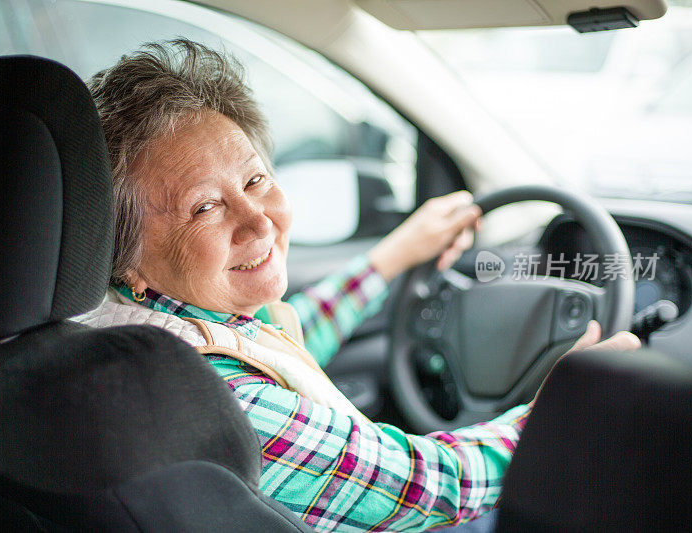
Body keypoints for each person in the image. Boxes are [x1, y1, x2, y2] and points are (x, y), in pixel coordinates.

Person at [74, 39, 640, 531]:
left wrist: (391, 260)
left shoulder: (139, 328)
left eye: (255, 179)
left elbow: (281, 341)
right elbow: (427, 486)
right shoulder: (210, 398)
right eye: (204, 207)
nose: (259, 220)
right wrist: (557, 414)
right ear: (124, 255)